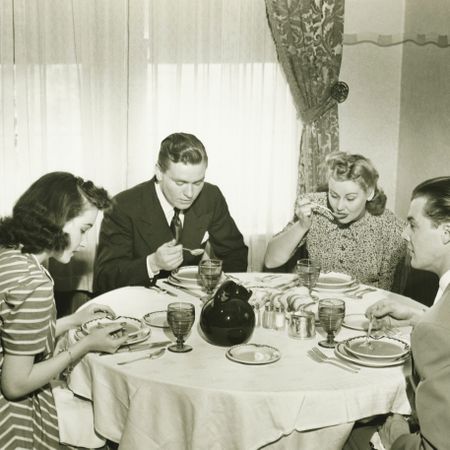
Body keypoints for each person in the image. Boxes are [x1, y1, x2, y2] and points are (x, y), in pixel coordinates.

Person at [0, 172, 129, 450]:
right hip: (10, 416)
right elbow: (15, 383)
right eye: (83, 229)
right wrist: (85, 345)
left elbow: (16, 338)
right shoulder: (33, 282)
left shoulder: (11, 253)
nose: (83, 242)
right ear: (57, 220)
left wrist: (73, 320)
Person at [93, 132, 248, 295]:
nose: (190, 193)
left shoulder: (211, 197)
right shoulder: (123, 206)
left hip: (194, 299)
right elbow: (105, 278)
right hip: (141, 302)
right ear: (159, 172)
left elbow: (235, 252)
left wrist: (224, 294)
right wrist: (152, 263)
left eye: (198, 182)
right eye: (180, 182)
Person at [365, 176, 450, 449]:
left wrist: (397, 438)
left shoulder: (435, 329)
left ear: (447, 232)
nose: (404, 233)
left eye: (413, 224)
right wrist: (417, 316)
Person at [264, 152, 406, 291]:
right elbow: (271, 261)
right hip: (314, 299)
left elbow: (385, 292)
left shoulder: (390, 228)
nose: (339, 206)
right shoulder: (314, 206)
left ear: (369, 193)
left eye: (350, 198)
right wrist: (302, 226)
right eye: (334, 195)